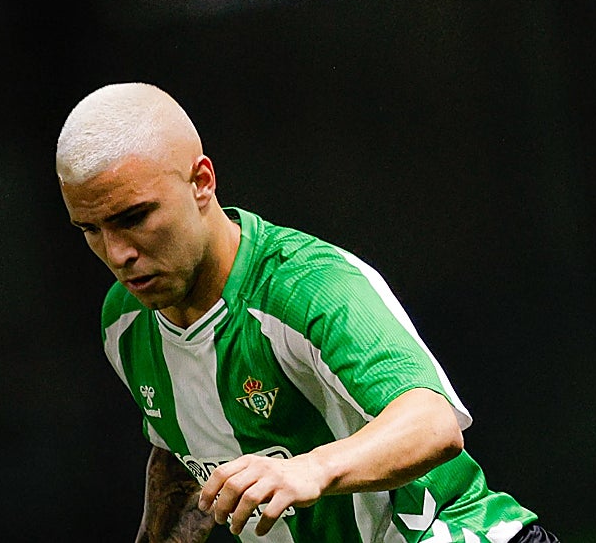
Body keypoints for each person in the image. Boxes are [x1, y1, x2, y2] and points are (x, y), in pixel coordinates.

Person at [55, 82, 559, 543]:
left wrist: (309, 469)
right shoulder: (124, 319)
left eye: (134, 217)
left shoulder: (308, 286)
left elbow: (432, 423)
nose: (117, 253)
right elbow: (186, 454)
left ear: (201, 182)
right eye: (91, 229)